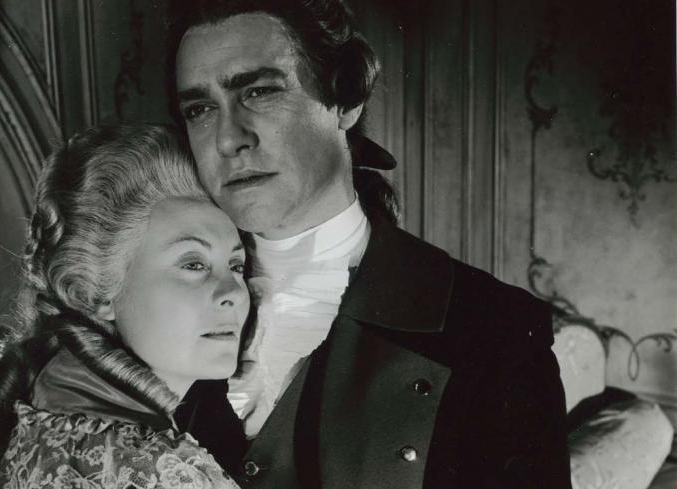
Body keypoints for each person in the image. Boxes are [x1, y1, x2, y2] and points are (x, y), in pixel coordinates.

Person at [166, 1, 573, 488]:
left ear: (347, 100)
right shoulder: (152, 308)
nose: (228, 139)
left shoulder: (494, 331)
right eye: (200, 109)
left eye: (259, 92)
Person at [0, 124, 247, 489]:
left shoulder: (36, 419)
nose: (232, 292)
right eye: (193, 264)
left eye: (236, 266)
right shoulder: (153, 469)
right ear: (96, 293)